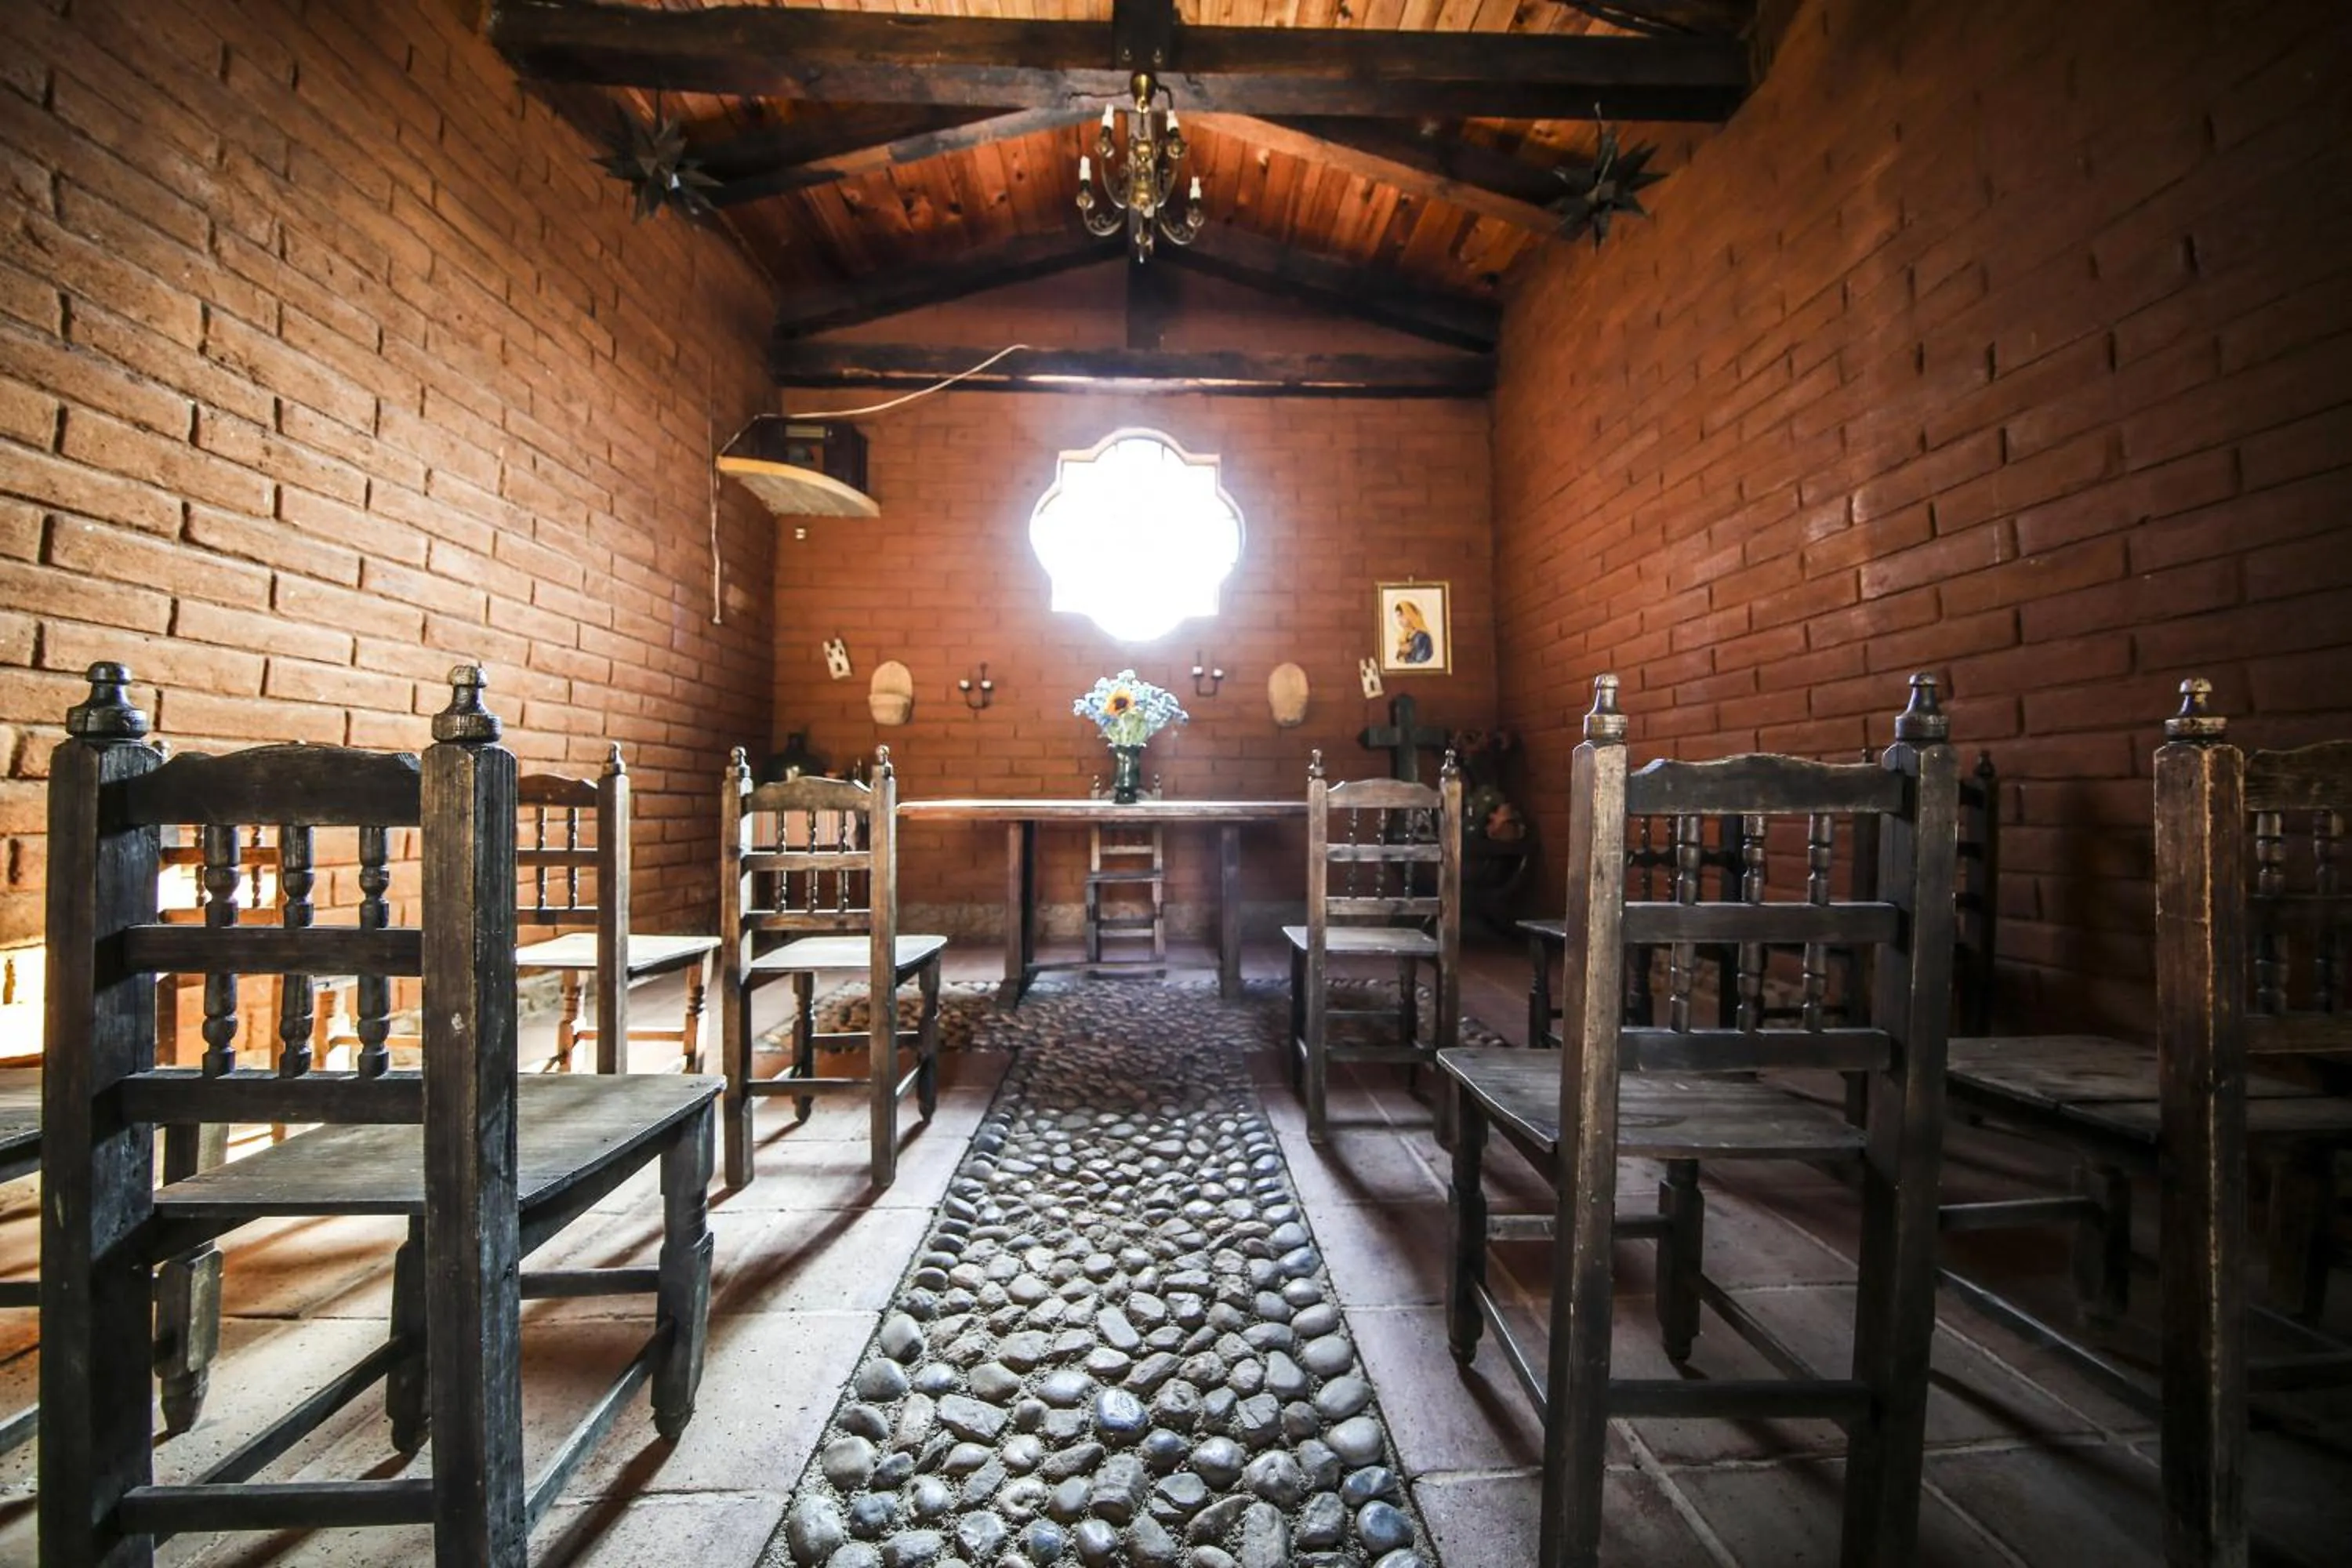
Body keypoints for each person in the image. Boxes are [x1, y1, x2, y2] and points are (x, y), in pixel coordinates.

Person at [1392, 598, 1435, 665]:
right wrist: (1402, 651)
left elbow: (1420, 661)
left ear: (1410, 615)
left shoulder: (1422, 636)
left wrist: (1405, 658)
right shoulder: (1406, 635)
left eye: (1401, 616)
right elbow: (1398, 658)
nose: (1399, 621)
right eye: (1398, 617)